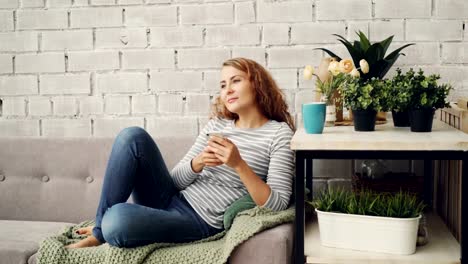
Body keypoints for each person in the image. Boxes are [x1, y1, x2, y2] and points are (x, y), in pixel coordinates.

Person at [65, 57, 296, 249]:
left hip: (198, 221)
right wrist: (197, 163)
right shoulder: (217, 126)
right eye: (223, 85)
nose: (228, 90)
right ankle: (98, 233)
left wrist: (239, 165)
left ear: (257, 84)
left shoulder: (278, 134)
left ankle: (106, 225)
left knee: (116, 220)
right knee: (131, 137)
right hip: (171, 199)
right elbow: (174, 181)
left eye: (236, 81)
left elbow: (278, 204)